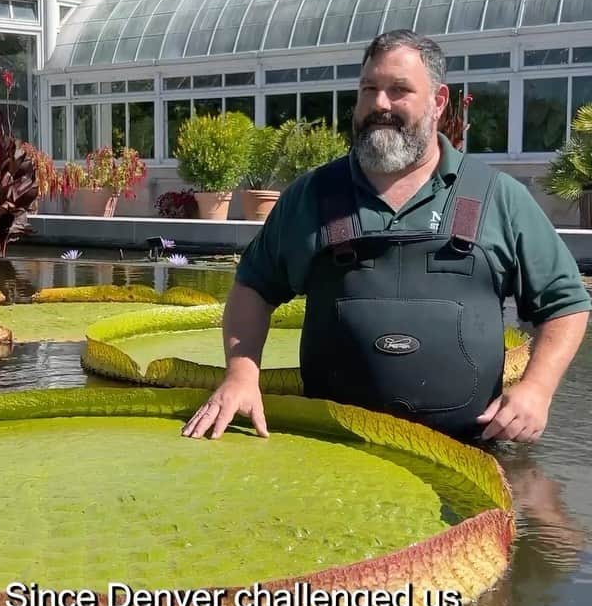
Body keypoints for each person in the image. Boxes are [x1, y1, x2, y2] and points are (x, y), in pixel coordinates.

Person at [182, 29, 591, 444]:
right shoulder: (312, 196)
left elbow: (566, 303)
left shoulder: (497, 198)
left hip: (471, 451)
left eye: (399, 90)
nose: (380, 104)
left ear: (439, 101)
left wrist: (537, 389)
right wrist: (241, 374)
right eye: (369, 89)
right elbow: (253, 286)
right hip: (328, 449)